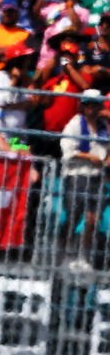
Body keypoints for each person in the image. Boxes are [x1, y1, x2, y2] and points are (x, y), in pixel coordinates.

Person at [59, 90, 109, 266]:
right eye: (88, 104)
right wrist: (89, 157)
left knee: (93, 219)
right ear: (83, 106)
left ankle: (82, 256)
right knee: (73, 216)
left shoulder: (103, 126)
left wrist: (106, 159)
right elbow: (67, 150)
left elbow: (107, 150)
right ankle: (64, 255)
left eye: (94, 104)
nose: (91, 108)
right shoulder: (75, 124)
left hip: (96, 177)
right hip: (77, 175)